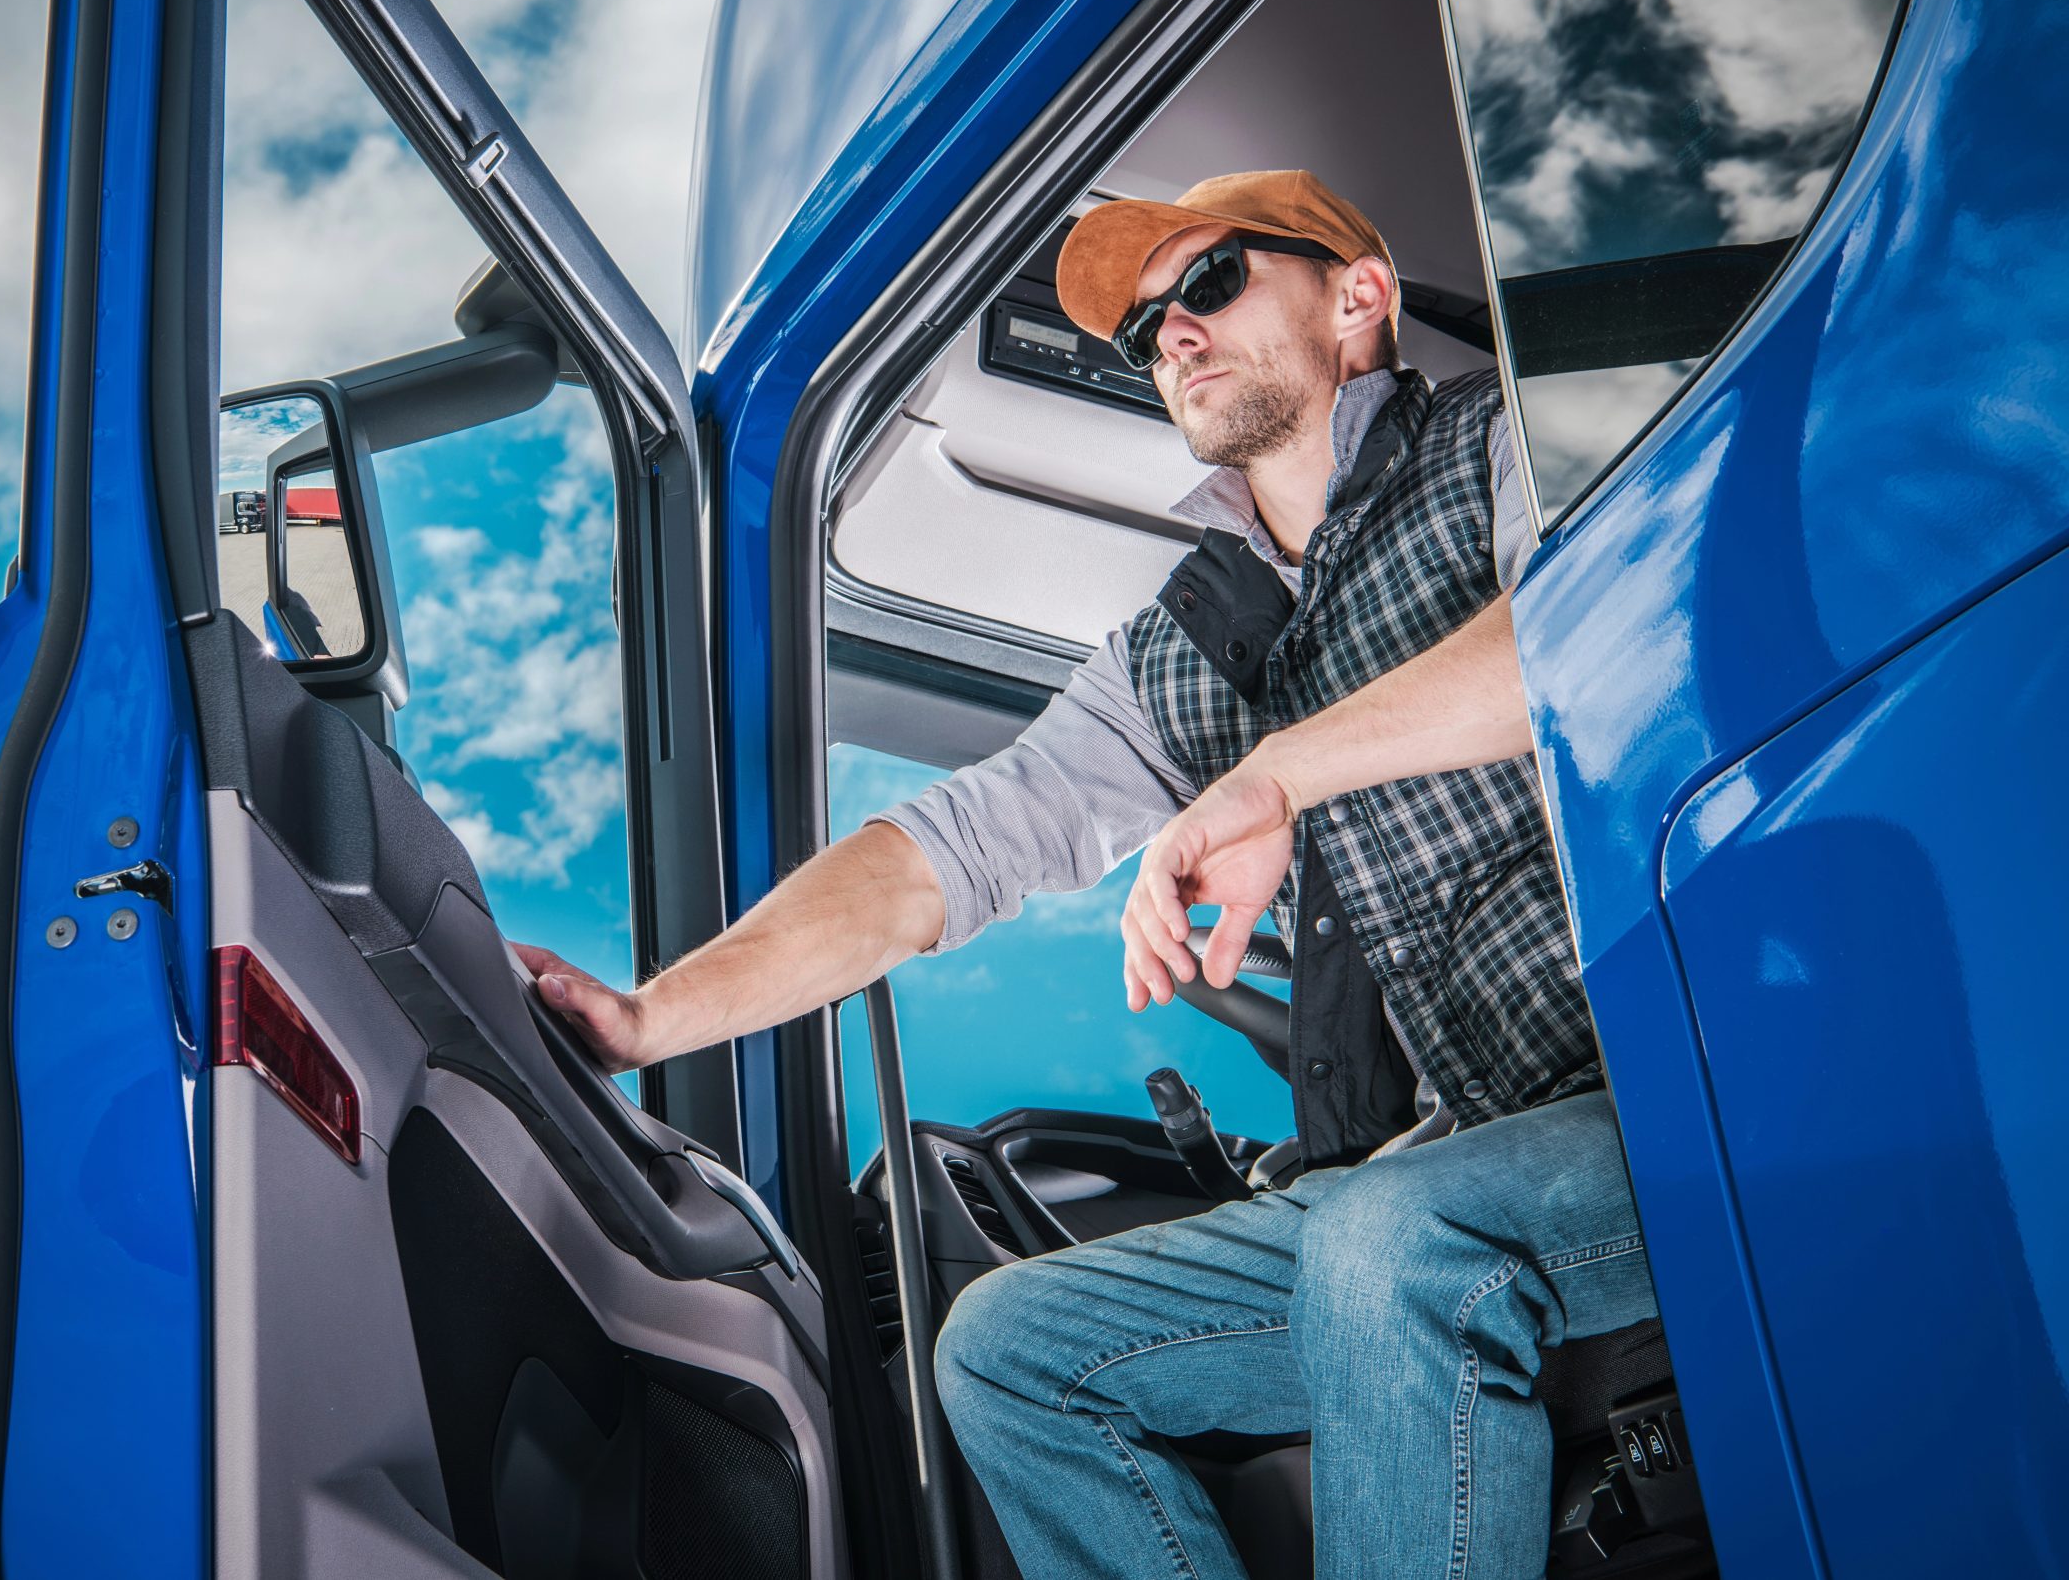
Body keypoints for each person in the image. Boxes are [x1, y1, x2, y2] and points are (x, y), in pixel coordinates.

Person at [512, 170, 1656, 1579]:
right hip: (1443, 1172)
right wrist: (650, 1020)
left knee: (1384, 1238)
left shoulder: (1510, 443)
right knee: (1010, 1351)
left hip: (1669, 1106)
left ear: (1358, 299)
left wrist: (1274, 778)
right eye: (1146, 327)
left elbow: (1582, 638)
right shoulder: (1195, 640)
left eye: (1214, 281)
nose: (1171, 330)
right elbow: (944, 852)